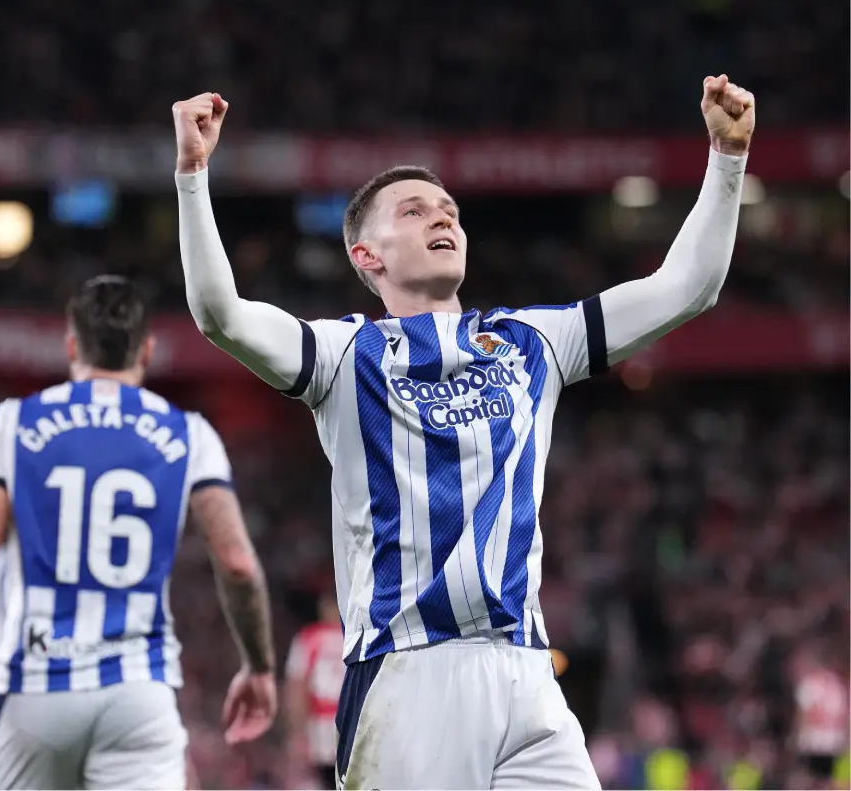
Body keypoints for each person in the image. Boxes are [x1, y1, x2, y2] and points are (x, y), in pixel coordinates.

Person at [172, 74, 755, 789]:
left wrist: (727, 159)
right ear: (368, 257)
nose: (441, 219)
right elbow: (220, 315)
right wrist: (193, 176)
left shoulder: (533, 342)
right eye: (414, 212)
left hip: (527, 669)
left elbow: (686, 287)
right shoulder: (343, 357)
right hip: (410, 672)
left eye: (448, 210)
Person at [0, 275, 277, 789]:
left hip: (34, 686)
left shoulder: (12, 423)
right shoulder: (190, 433)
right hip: (137, 687)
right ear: (147, 350)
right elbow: (238, 565)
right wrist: (258, 666)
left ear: (70, 345)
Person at [284, 592, 345, 789]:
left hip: (321, 725)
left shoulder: (309, 638)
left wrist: (298, 731)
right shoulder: (356, 635)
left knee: (327, 781)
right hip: (351, 722)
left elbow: (297, 685)